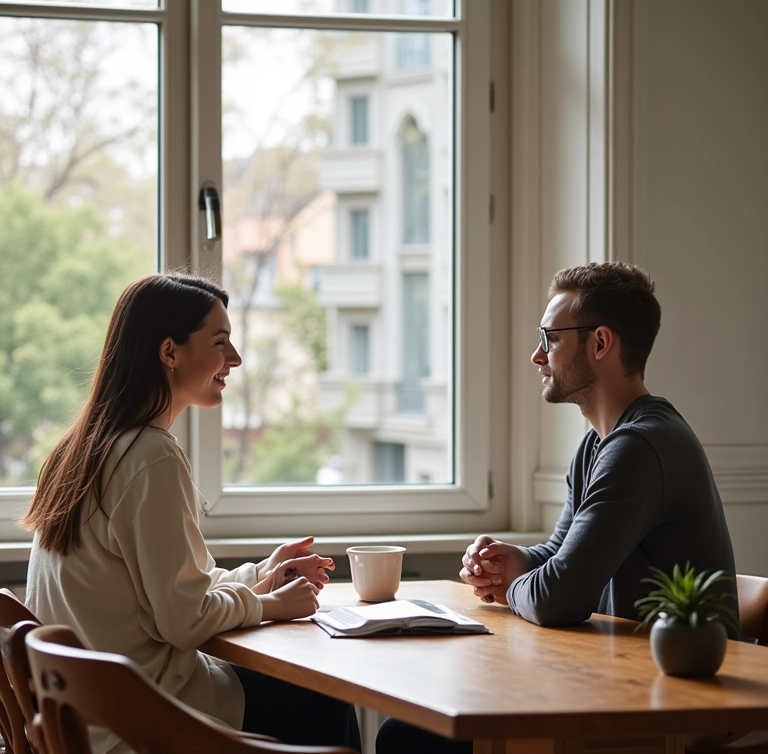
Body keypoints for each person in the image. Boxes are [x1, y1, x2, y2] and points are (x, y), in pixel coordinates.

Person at [376, 261, 738, 754]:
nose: (536, 355)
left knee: (410, 741)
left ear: (600, 343)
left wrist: (514, 588)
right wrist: (517, 561)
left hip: (665, 706)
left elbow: (556, 598)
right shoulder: (600, 445)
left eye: (550, 339)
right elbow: (557, 556)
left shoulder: (640, 447)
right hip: (617, 684)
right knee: (410, 734)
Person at [22, 272, 361, 754]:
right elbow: (184, 621)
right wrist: (272, 605)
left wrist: (262, 574)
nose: (235, 359)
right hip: (139, 721)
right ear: (169, 352)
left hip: (84, 717)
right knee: (326, 704)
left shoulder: (82, 450)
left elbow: (167, 592)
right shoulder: (149, 456)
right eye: (220, 342)